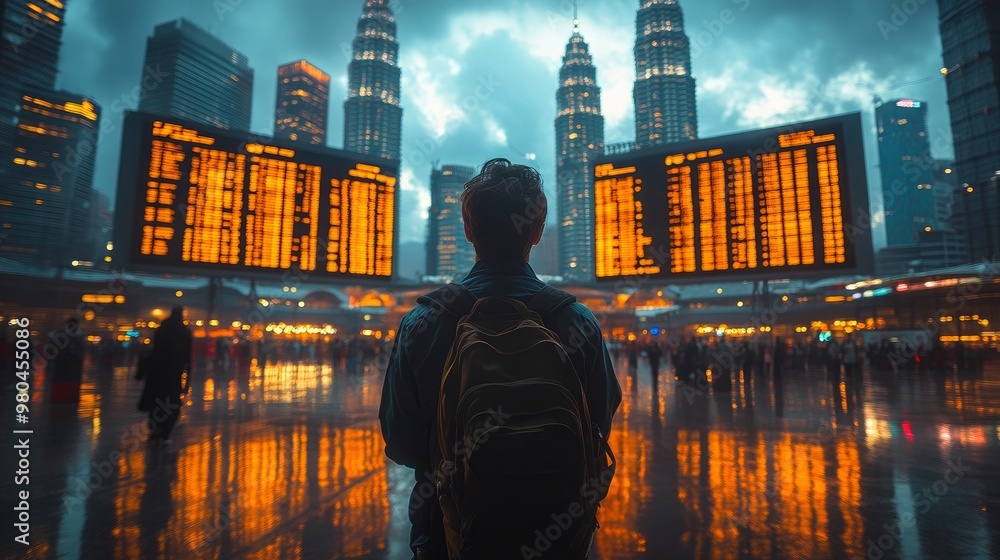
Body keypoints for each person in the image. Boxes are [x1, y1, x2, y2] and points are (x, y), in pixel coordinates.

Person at [379, 158, 622, 560]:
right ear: (538, 232)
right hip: (557, 535)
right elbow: (597, 427)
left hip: (449, 536)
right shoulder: (577, 322)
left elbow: (401, 443)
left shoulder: (423, 323)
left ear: (469, 230)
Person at [142, 306, 192, 445]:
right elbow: (188, 358)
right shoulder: (184, 332)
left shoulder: (162, 330)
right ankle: (165, 432)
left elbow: (153, 350)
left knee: (155, 401)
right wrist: (187, 382)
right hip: (174, 374)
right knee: (172, 403)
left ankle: (154, 430)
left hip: (157, 372)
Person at [50, 317, 86, 402]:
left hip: (62, 365)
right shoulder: (78, 335)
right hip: (71, 366)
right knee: (68, 384)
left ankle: (60, 399)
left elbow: (52, 349)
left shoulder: (59, 334)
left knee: (61, 383)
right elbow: (82, 349)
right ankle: (68, 399)